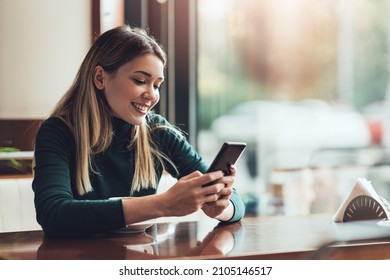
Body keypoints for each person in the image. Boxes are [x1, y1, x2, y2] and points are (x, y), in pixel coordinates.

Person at [32, 25, 245, 238]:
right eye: (140, 81)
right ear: (100, 78)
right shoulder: (58, 132)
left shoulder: (158, 132)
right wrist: (163, 204)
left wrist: (221, 207)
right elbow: (53, 214)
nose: (152, 96)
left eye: (157, 85)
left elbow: (236, 202)